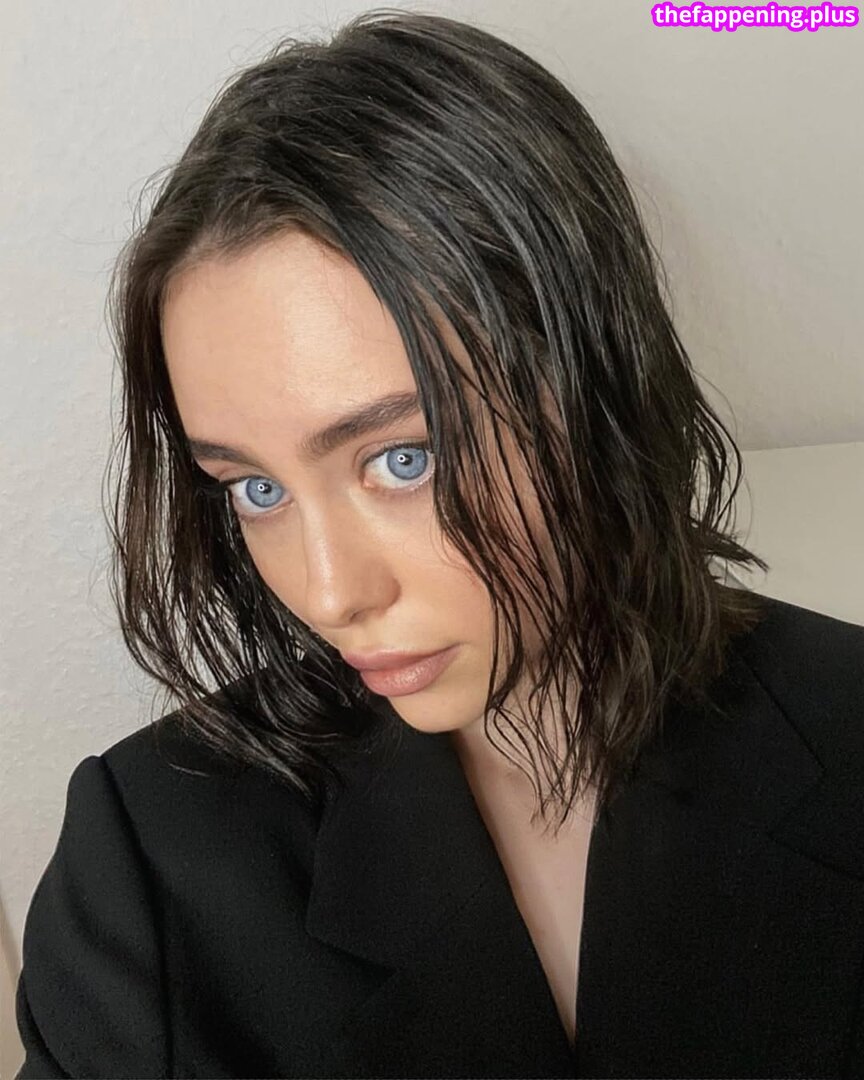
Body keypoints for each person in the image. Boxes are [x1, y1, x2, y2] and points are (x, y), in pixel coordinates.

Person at [14, 9, 864, 1079]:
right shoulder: (151, 857)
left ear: (594, 383)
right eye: (257, 489)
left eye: (402, 458)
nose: (329, 593)